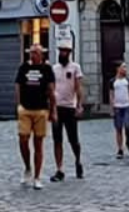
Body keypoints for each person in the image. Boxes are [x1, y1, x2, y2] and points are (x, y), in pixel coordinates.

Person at [14, 43, 55, 188]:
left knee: (38, 143)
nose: (33, 55)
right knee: (23, 138)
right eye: (31, 52)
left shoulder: (46, 69)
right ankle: (27, 167)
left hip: (41, 109)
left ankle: (37, 177)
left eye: (36, 52)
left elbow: (51, 89)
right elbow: (18, 85)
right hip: (25, 108)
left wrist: (53, 110)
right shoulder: (24, 68)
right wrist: (18, 104)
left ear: (41, 54)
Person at [48, 45, 86, 179]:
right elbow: (51, 88)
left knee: (73, 139)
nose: (62, 53)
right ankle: (59, 169)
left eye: (65, 51)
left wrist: (79, 105)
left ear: (69, 53)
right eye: (61, 51)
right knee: (57, 139)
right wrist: (51, 107)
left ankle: (78, 160)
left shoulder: (75, 67)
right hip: (57, 107)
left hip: (70, 107)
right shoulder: (54, 69)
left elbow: (78, 87)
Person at [108, 61, 129, 158]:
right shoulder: (113, 82)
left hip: (126, 106)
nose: (125, 69)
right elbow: (111, 95)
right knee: (119, 128)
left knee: (127, 125)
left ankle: (128, 140)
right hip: (117, 107)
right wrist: (111, 108)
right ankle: (120, 149)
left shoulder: (128, 81)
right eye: (123, 67)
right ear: (118, 69)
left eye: (125, 67)